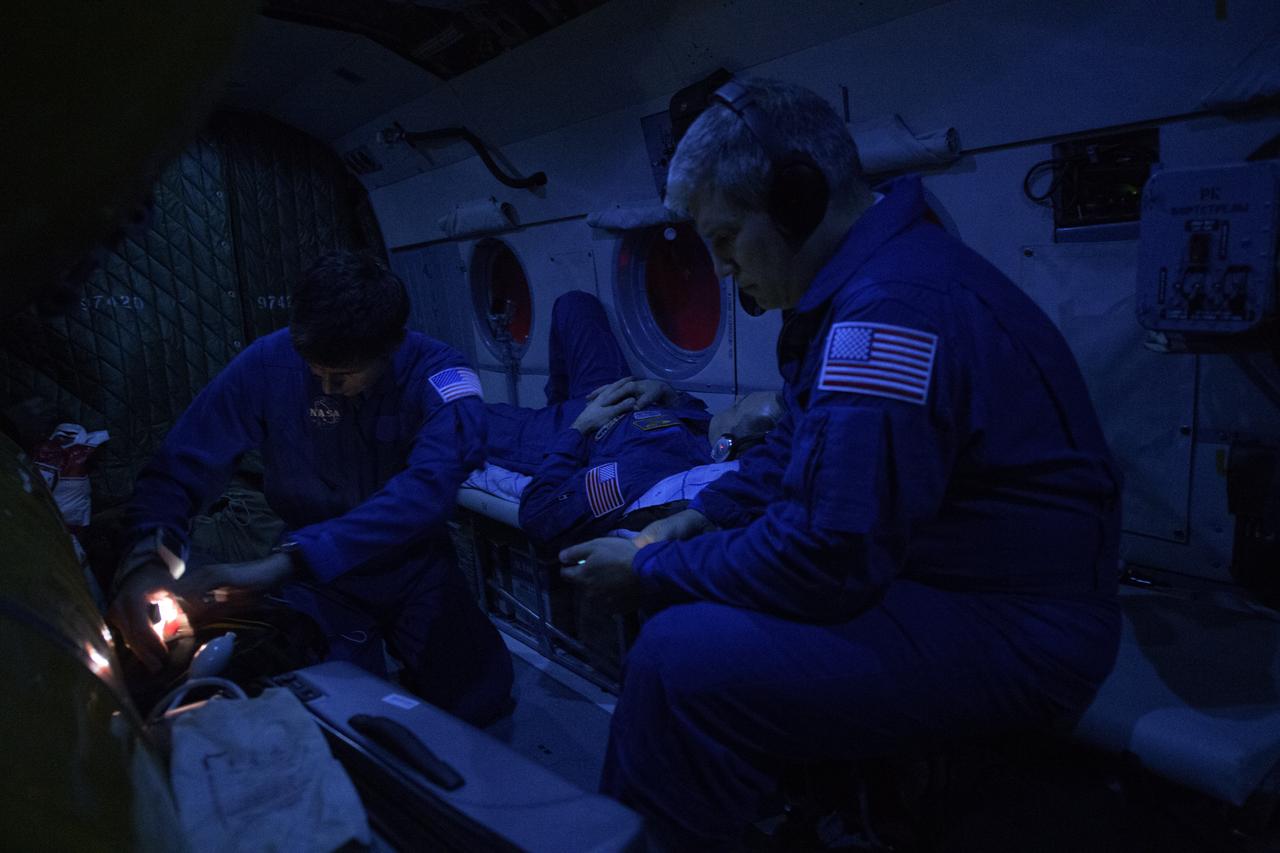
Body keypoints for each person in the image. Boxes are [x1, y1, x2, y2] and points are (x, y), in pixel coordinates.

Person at [561, 78, 1123, 848]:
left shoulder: (889, 313)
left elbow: (831, 552)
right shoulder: (862, 291)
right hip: (941, 576)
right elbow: (796, 447)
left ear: (796, 200)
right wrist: (700, 517)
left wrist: (650, 568)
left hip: (1020, 622)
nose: (722, 270)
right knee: (684, 596)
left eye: (725, 239)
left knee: (674, 659)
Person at [109, 250, 514, 726]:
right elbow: (184, 462)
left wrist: (285, 562)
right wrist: (146, 561)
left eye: (343, 375)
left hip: (410, 565)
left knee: (480, 698)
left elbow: (429, 486)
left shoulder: (443, 376)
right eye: (314, 368)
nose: (325, 384)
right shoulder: (268, 362)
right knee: (341, 710)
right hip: (319, 580)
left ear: (392, 345)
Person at [483, 290, 782, 551]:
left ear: (724, 446)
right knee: (574, 304)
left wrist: (579, 428)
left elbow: (539, 516)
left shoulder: (639, 472)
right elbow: (692, 412)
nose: (733, 401)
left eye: (738, 406)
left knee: (461, 416)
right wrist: (665, 391)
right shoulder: (704, 427)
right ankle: (558, 403)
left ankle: (548, 417)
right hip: (610, 392)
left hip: (572, 429)